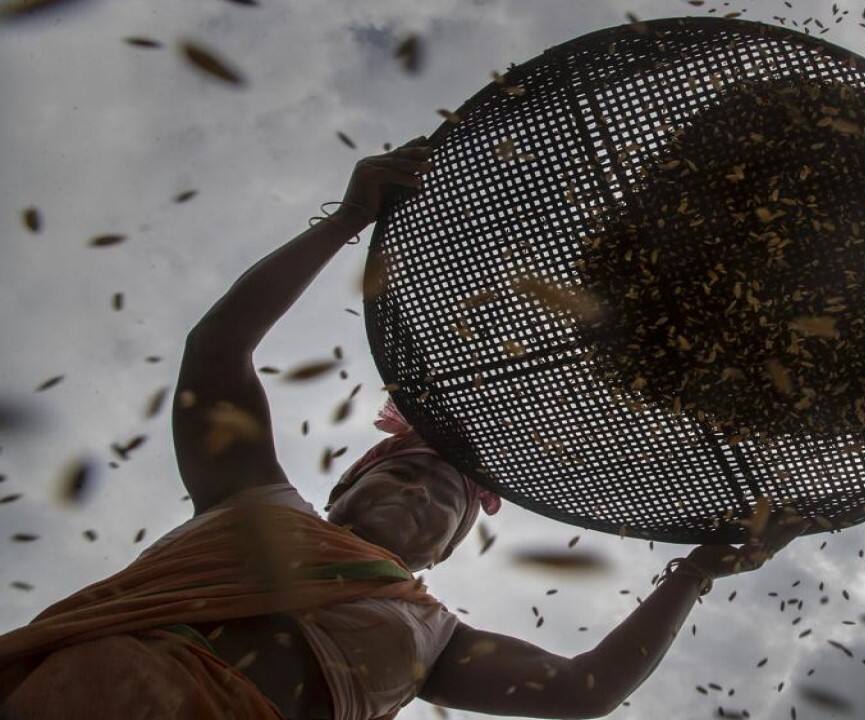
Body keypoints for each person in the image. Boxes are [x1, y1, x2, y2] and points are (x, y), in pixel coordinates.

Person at [0, 136, 812, 720]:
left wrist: (693, 574)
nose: (418, 492)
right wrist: (346, 219)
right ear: (345, 482)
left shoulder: (431, 636)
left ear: (445, 550)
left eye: (441, 500)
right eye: (403, 471)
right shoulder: (250, 504)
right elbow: (218, 352)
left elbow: (582, 691)